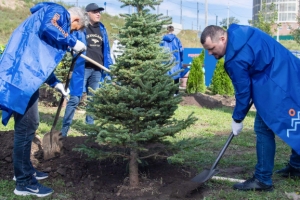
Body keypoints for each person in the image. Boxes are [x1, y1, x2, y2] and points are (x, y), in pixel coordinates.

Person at [0, 2, 88, 197]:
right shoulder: (56, 12)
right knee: (26, 128)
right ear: (75, 20)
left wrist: (55, 83)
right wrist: (72, 42)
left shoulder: (47, 18)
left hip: (25, 77)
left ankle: (25, 172)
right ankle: (23, 182)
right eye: (75, 29)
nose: (72, 32)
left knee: (30, 125)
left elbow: (37, 58)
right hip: (21, 79)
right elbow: (50, 26)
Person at [200, 24, 300, 191]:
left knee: (262, 128)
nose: (210, 53)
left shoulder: (234, 59)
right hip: (293, 72)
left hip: (277, 83)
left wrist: (237, 119)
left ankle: (262, 180)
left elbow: (244, 94)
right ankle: (297, 166)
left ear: (222, 39)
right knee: (297, 120)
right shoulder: (242, 31)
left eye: (211, 48)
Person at [60, 2, 113, 137]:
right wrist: (73, 48)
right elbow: (70, 42)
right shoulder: (81, 28)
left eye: (99, 12)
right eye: (95, 12)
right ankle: (64, 131)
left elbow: (106, 49)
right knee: (75, 99)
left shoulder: (102, 28)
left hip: (97, 69)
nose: (98, 14)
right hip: (82, 68)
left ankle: (90, 131)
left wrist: (109, 66)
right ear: (87, 13)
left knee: (92, 100)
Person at [160, 25, 186, 96]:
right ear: (173, 30)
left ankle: (166, 93)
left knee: (166, 76)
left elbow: (159, 50)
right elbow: (181, 50)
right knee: (176, 76)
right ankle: (176, 93)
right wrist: (181, 59)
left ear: (167, 30)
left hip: (165, 60)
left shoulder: (162, 40)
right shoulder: (177, 39)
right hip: (176, 60)